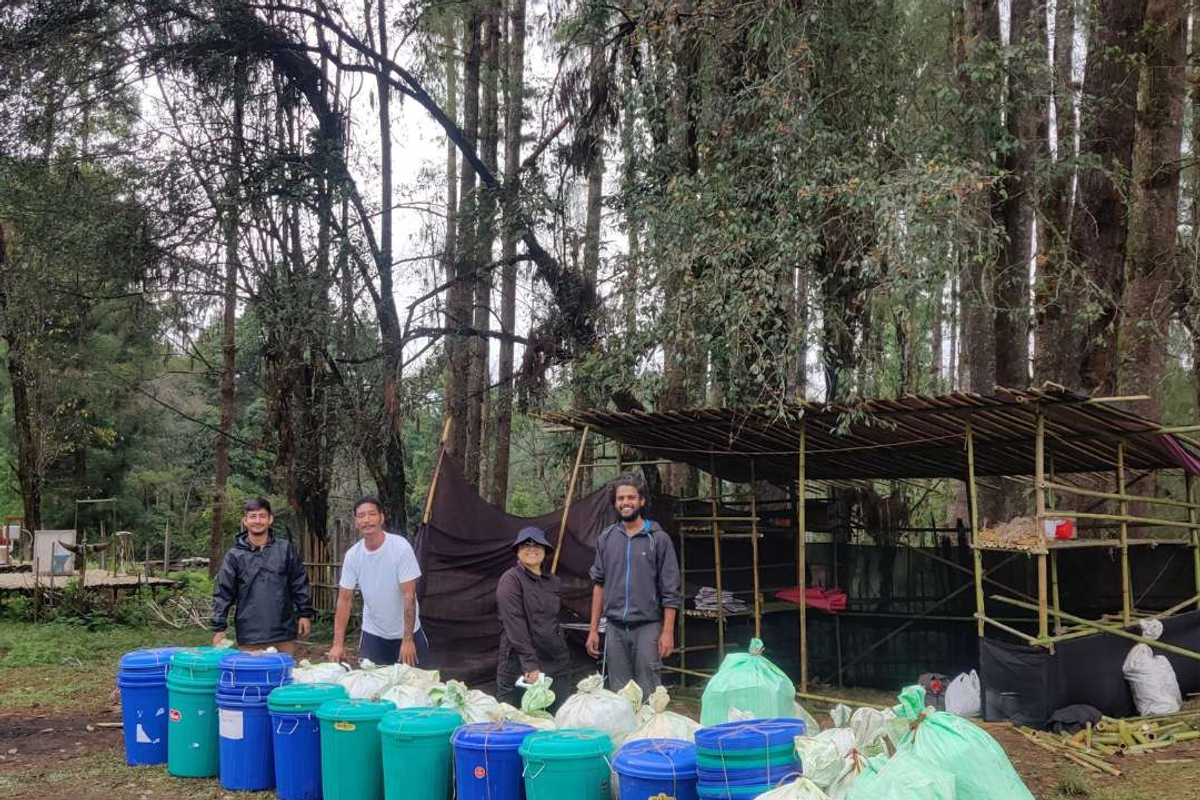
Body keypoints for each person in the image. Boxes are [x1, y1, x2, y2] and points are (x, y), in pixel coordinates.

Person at [586, 473, 682, 696]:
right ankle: (626, 732)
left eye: (631, 497)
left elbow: (670, 590)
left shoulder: (658, 539)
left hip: (648, 627)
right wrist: (593, 630)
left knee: (649, 691)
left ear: (642, 501)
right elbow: (598, 585)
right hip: (614, 628)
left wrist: (667, 632)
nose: (625, 503)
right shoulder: (606, 538)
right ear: (615, 502)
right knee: (620, 694)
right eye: (620, 498)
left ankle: (649, 732)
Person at [328, 496, 430, 666]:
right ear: (356, 522)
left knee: (418, 687)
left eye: (371, 514)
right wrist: (337, 644)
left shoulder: (400, 547)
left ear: (381, 518)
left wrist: (407, 639)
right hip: (373, 632)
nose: (366, 520)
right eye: (361, 516)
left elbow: (409, 596)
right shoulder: (353, 556)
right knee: (372, 687)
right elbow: (344, 599)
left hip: (407, 632)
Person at [211, 498, 313, 655]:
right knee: (252, 676)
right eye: (253, 516)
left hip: (283, 631)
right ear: (245, 521)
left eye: (262, 516)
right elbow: (223, 593)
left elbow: (299, 582)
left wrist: (304, 613)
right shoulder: (234, 556)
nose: (257, 521)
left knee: (283, 676)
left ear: (270, 519)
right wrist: (219, 628)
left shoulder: (284, 549)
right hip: (249, 634)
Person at [496, 527, 571, 713]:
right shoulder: (511, 580)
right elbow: (514, 624)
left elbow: (553, 621)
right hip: (521, 665)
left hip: (555, 663)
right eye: (526, 545)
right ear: (518, 551)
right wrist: (530, 664)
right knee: (519, 722)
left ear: (545, 551)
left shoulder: (553, 582)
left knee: (556, 720)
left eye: (537, 545)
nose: (532, 549)